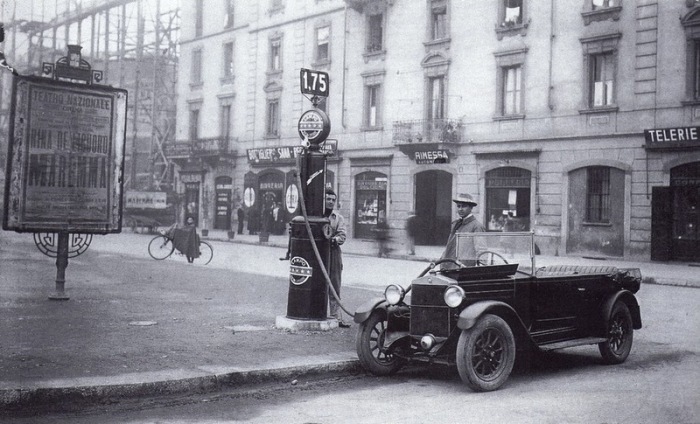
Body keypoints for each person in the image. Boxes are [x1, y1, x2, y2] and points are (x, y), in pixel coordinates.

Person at [324, 188, 349, 328]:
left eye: (333, 200)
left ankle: (336, 317)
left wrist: (334, 239)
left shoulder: (338, 218)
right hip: (319, 254)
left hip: (333, 253)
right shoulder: (317, 215)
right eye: (328, 199)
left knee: (335, 284)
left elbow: (342, 235)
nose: (331, 202)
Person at [440, 193, 485, 267]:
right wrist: (442, 260)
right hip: (449, 266)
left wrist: (482, 267)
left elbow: (481, 250)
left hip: (463, 268)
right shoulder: (456, 224)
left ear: (471, 208)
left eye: (464, 206)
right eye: (458, 206)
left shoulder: (476, 226)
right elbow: (449, 245)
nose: (460, 209)